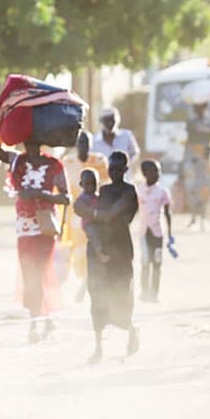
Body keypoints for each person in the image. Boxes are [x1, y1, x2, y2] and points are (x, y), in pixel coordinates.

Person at [0, 123, 70, 343]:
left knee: (40, 271)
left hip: (45, 225)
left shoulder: (54, 165)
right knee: (29, 272)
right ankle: (40, 320)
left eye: (33, 140)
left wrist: (39, 194)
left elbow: (66, 198)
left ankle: (38, 322)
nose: (29, 144)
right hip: (24, 227)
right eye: (26, 140)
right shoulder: (17, 161)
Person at [77, 151, 139, 364]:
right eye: (111, 169)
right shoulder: (102, 191)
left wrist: (93, 215)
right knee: (98, 296)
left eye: (119, 169)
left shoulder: (129, 191)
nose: (115, 173)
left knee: (122, 294)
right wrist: (93, 216)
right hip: (100, 250)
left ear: (125, 170)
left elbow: (113, 213)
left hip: (121, 249)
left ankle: (131, 330)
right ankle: (98, 347)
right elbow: (79, 206)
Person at [62, 131, 108, 299]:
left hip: (95, 213)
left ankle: (86, 286)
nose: (84, 146)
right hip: (74, 214)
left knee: (95, 247)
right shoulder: (68, 162)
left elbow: (106, 186)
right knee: (77, 251)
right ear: (76, 144)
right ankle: (82, 283)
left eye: (86, 142)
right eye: (80, 142)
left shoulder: (99, 161)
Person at [137, 159, 173, 302]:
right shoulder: (139, 190)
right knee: (145, 261)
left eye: (158, 171)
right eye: (154, 171)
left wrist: (170, 234)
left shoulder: (162, 192)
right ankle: (144, 292)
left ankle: (154, 293)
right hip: (144, 233)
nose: (158, 174)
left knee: (157, 263)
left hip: (157, 233)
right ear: (145, 173)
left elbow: (167, 213)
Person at [181, 102, 210, 229]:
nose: (197, 110)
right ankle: (193, 216)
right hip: (192, 156)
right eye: (195, 107)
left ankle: (205, 215)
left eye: (199, 107)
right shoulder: (191, 122)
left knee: (205, 186)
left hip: (205, 157)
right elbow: (188, 140)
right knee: (191, 186)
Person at [73, 169, 106, 260]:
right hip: (89, 224)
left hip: (98, 222)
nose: (91, 187)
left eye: (93, 183)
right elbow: (77, 207)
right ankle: (101, 252)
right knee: (93, 234)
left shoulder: (98, 196)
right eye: (87, 184)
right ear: (81, 184)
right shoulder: (83, 198)